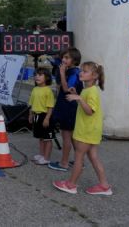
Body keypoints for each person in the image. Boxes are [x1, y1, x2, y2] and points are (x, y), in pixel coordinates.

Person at [53, 61, 112, 195]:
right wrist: (77, 94)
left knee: (79, 157)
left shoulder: (92, 91)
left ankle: (71, 184)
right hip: (91, 130)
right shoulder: (87, 90)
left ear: (94, 75)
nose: (81, 73)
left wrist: (78, 98)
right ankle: (104, 185)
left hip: (87, 130)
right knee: (93, 157)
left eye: (85, 71)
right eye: (81, 70)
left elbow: (90, 111)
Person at [48, 48, 83, 172]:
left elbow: (67, 89)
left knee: (66, 136)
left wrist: (62, 73)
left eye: (67, 58)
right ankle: (79, 161)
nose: (63, 60)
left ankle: (64, 163)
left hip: (68, 108)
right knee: (72, 136)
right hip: (68, 106)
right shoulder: (71, 71)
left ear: (74, 60)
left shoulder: (73, 73)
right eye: (63, 57)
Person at [28, 68, 55, 165]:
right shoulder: (35, 89)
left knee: (47, 138)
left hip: (45, 116)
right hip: (36, 116)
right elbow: (31, 103)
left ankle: (46, 158)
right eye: (36, 75)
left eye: (40, 75)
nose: (37, 77)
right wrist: (30, 114)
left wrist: (47, 118)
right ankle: (41, 155)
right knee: (41, 137)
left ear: (47, 78)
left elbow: (50, 107)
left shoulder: (48, 91)